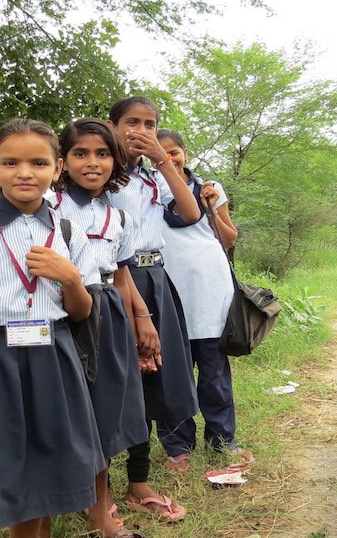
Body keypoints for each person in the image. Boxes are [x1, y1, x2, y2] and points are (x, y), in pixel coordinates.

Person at [0, 119, 104, 537]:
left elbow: (82, 312)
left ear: (57, 167)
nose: (24, 172)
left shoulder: (68, 231)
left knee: (45, 465)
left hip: (52, 355)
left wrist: (69, 278)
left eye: (38, 162)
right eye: (10, 162)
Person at [51, 118, 153, 538]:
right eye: (80, 153)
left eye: (102, 153)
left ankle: (100, 511)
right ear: (63, 162)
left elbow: (123, 276)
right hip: (61, 313)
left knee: (106, 409)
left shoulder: (118, 216)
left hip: (107, 313)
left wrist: (141, 321)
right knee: (71, 409)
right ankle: (68, 498)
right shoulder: (48, 206)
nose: (92, 163)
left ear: (115, 160)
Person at [107, 97, 201, 523]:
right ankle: (100, 490)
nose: (140, 130)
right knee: (118, 377)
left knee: (155, 378)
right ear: (113, 125)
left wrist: (164, 160)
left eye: (150, 123)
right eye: (132, 122)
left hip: (155, 278)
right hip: (115, 282)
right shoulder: (101, 171)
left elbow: (190, 210)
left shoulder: (152, 177)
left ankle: (139, 480)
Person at [156, 129, 255, 470]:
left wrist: (211, 209)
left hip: (211, 292)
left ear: (184, 152)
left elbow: (228, 240)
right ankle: (178, 448)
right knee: (173, 377)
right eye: (161, 153)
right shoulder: (147, 191)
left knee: (214, 376)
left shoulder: (209, 188)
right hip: (167, 294)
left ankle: (222, 442)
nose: (169, 158)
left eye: (174, 152)